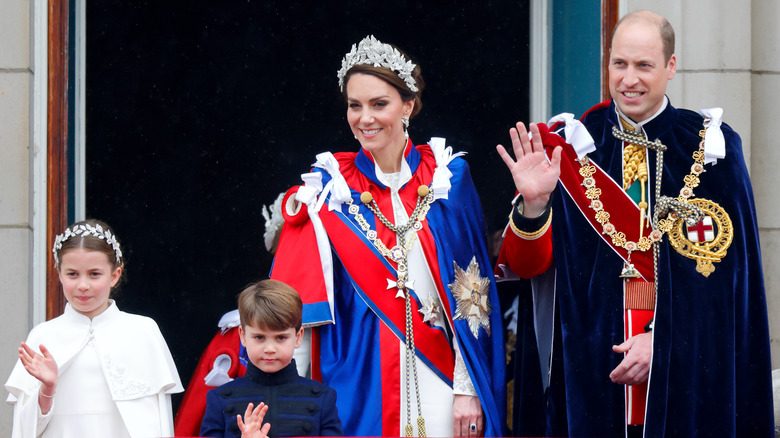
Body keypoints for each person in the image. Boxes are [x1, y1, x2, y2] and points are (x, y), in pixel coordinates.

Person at [495, 10, 774, 437]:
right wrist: (533, 205)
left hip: (688, 377)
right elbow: (527, 267)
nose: (629, 80)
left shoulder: (714, 150)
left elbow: (729, 288)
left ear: (671, 66)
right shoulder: (568, 147)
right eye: (619, 64)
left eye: (644, 65)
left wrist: (663, 341)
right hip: (592, 377)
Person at [269, 35, 506, 437]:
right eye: (354, 105)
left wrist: (468, 390)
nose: (365, 118)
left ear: (408, 105)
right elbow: (298, 306)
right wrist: (293, 398)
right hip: (356, 376)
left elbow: (473, 293)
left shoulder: (448, 178)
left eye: (379, 104)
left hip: (439, 376)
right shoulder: (327, 188)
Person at [4, 219, 183, 438]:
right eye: (72, 274)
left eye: (94, 274)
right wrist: (47, 389)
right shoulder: (43, 336)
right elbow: (24, 430)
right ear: (59, 274)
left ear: (115, 275)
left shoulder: (143, 331)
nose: (83, 285)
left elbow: (159, 422)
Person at [199, 279, 342, 437]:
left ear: (298, 336)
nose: (269, 349)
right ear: (243, 336)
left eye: (280, 338)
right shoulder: (219, 399)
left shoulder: (323, 398)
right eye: (259, 337)